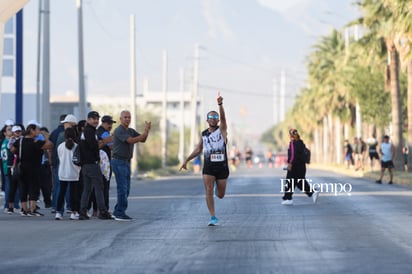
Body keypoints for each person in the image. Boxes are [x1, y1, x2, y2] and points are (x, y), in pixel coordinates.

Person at [180, 92, 229, 226]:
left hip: (222, 167)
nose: (213, 118)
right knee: (208, 189)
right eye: (210, 117)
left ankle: (215, 190)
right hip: (208, 167)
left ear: (218, 120)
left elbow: (224, 119)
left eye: (215, 117)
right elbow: (198, 149)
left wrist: (220, 104)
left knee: (220, 194)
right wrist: (187, 160)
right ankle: (213, 217)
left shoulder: (222, 131)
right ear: (207, 120)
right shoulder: (204, 134)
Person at [111, 110, 151, 221]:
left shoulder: (131, 130)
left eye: (129, 117)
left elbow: (142, 139)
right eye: (125, 117)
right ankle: (120, 213)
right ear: (120, 119)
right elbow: (131, 140)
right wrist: (144, 133)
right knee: (122, 188)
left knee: (126, 188)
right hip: (118, 162)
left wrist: (146, 131)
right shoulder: (119, 130)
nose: (127, 119)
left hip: (126, 162)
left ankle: (118, 210)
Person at [11, 121, 53, 216]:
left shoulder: (20, 141)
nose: (38, 132)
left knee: (23, 188)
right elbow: (50, 145)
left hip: (21, 167)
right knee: (33, 188)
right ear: (31, 130)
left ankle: (24, 209)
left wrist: (20, 153)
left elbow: (12, 149)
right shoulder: (37, 142)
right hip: (34, 168)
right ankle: (32, 209)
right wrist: (45, 137)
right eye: (37, 130)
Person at [78, 111, 112, 220]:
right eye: (93, 118)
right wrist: (103, 142)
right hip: (91, 164)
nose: (95, 121)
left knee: (87, 189)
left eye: (97, 119)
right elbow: (93, 146)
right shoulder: (89, 131)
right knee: (99, 187)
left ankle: (82, 211)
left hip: (86, 165)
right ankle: (102, 211)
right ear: (88, 120)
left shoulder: (89, 131)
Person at [281, 128, 319, 206]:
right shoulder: (301, 143)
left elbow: (292, 155)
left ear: (290, 135)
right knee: (299, 182)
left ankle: (288, 198)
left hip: (294, 166)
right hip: (302, 167)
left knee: (290, 182)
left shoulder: (292, 143)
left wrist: (290, 164)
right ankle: (312, 192)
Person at [56, 127, 82, 220]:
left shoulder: (60, 146)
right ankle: (74, 212)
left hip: (62, 172)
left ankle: (58, 212)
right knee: (73, 194)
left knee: (61, 193)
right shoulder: (76, 146)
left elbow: (60, 158)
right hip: (74, 173)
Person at [1, 124, 20, 213]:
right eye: (9, 130)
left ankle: (10, 205)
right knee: (11, 187)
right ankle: (11, 205)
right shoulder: (8, 143)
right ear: (5, 133)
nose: (11, 131)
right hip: (9, 167)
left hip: (7, 167)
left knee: (10, 186)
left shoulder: (5, 142)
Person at [50, 114, 67, 213]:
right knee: (67, 185)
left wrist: (51, 160)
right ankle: (68, 206)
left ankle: (55, 206)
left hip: (56, 162)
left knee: (57, 185)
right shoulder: (67, 132)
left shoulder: (54, 133)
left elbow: (50, 148)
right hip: (65, 162)